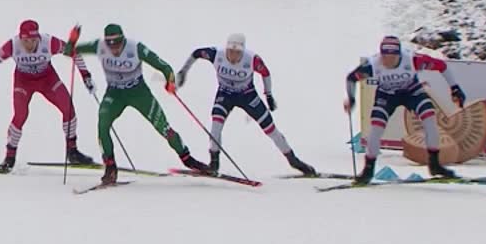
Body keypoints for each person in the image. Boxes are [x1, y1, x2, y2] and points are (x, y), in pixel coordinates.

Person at [66, 24, 208, 183]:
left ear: (123, 40)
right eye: (110, 45)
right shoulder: (99, 46)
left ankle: (187, 158)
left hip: (138, 92)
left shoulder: (135, 48)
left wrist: (170, 82)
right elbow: (69, 51)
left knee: (164, 128)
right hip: (115, 93)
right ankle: (110, 167)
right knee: (102, 124)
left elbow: (164, 67)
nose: (114, 49)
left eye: (118, 45)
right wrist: (72, 41)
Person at [177, 34, 316, 176]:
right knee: (215, 128)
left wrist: (268, 95)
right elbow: (196, 53)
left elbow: (265, 73)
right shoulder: (216, 54)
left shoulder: (252, 59)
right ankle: (214, 163)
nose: (233, 56)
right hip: (225, 94)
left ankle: (293, 160)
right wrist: (183, 72)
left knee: (271, 130)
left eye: (237, 53)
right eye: (230, 51)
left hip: (247, 95)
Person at [344, 36, 463, 184]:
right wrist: (351, 98)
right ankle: (368, 170)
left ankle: (434, 164)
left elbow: (442, 67)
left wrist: (455, 89)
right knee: (375, 129)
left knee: (430, 120)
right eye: (384, 56)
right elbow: (351, 78)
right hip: (386, 95)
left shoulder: (413, 60)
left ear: (399, 54)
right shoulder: (373, 65)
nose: (387, 60)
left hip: (412, 92)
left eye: (392, 57)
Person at [0, 20, 96, 173]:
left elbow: (74, 53)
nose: (29, 45)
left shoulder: (49, 42)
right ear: (20, 38)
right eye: (25, 41)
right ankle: (9, 157)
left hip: (47, 79)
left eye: (33, 40)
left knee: (68, 108)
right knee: (20, 115)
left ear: (38, 38)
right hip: (23, 81)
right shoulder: (13, 45)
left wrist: (86, 76)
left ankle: (72, 151)